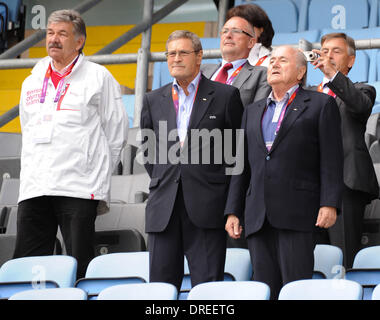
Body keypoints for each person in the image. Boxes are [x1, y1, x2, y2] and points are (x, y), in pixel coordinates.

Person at [14, 9, 128, 279]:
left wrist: (95, 173)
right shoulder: (31, 80)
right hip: (35, 185)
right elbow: (27, 130)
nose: (54, 39)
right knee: (26, 265)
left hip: (78, 185)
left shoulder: (98, 77)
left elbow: (116, 132)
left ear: (79, 42)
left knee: (79, 263)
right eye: (50, 33)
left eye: (62, 34)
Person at [224, 45, 344, 299]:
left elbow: (332, 159)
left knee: (296, 289)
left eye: (283, 61)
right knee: (265, 290)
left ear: (301, 72)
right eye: (273, 61)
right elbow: (240, 166)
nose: (274, 65)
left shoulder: (320, 104)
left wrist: (329, 203)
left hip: (298, 213)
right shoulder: (252, 111)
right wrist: (233, 210)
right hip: (257, 215)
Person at [140, 30, 244, 292]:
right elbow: (149, 153)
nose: (176, 58)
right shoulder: (153, 99)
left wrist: (232, 207)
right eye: (171, 53)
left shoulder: (225, 96)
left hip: (208, 209)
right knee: (160, 292)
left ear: (199, 57)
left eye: (183, 52)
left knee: (208, 290)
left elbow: (237, 157)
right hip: (164, 208)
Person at [310, 32, 379, 268]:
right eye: (324, 51)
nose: (328, 55)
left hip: (345, 184)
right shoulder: (307, 93)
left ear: (351, 61)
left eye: (336, 51)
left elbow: (360, 107)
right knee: (308, 260)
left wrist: (332, 74)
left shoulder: (363, 89)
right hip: (306, 187)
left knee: (343, 260)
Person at [201, 14, 271, 107]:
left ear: (251, 42)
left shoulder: (261, 74)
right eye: (225, 31)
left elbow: (255, 116)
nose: (228, 35)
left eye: (236, 31)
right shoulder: (201, 70)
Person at [225, 3, 274, 67]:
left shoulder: (272, 64)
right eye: (227, 30)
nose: (229, 35)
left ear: (260, 31)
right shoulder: (223, 66)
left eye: (237, 30)